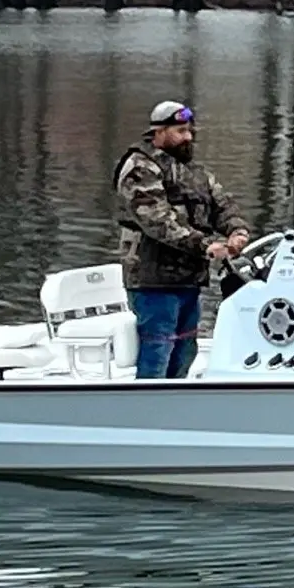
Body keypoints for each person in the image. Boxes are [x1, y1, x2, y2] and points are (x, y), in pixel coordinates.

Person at [111, 100, 252, 379]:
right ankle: (147, 401)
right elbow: (158, 220)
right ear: (158, 132)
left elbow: (222, 204)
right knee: (158, 349)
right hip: (152, 279)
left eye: (189, 130)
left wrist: (237, 231)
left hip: (188, 278)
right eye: (180, 131)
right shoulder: (140, 168)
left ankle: (177, 395)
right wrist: (206, 245)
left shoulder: (194, 172)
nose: (187, 137)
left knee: (186, 350)